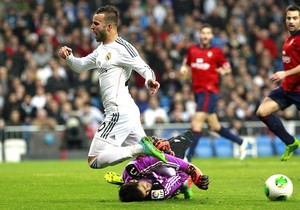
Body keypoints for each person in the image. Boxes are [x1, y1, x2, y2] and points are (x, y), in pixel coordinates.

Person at [58, 5, 166, 169]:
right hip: (126, 112)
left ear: (109, 26)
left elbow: (145, 68)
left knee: (94, 159)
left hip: (118, 111)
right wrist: (69, 57)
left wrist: (149, 80)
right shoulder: (101, 50)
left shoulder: (123, 47)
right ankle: (177, 176)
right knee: (148, 159)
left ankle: (140, 148)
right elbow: (80, 66)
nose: (91, 27)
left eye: (96, 24)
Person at [179, 23, 248, 162]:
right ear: (199, 35)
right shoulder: (192, 50)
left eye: (208, 33)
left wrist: (223, 71)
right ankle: (241, 142)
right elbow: (185, 65)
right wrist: (184, 70)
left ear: (211, 36)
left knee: (196, 122)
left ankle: (188, 159)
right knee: (214, 126)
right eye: (203, 33)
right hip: (198, 92)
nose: (205, 36)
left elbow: (227, 68)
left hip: (209, 91)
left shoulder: (217, 52)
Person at [256, 4, 300, 161]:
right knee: (262, 112)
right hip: (287, 88)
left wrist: (285, 73)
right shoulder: (290, 38)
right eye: (289, 18)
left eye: (295, 18)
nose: (291, 21)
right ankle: (291, 142)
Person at [117, 153, 209, 202]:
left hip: (154, 166)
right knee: (177, 177)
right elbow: (181, 176)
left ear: (133, 181)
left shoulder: (134, 169)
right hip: (163, 177)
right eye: (146, 192)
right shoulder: (155, 193)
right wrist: (190, 174)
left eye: (144, 187)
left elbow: (160, 158)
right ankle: (184, 187)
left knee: (167, 149)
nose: (148, 188)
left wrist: (190, 169)